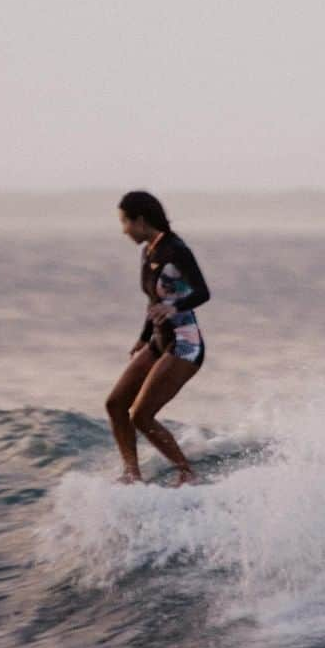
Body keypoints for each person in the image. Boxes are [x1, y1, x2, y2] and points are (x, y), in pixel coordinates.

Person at [106, 190, 210, 485]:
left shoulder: (176, 249)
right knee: (115, 404)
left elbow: (203, 292)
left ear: (140, 220)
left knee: (141, 415)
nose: (123, 230)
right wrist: (144, 336)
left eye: (125, 222)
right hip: (159, 341)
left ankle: (187, 473)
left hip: (185, 345)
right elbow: (154, 300)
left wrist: (173, 306)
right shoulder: (148, 250)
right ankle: (131, 473)